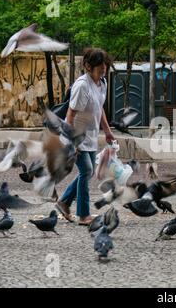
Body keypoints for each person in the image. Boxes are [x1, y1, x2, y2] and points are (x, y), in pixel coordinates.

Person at [55, 48, 115, 226]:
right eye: (99, 65)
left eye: (105, 64)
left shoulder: (101, 83)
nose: (103, 68)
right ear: (88, 66)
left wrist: (108, 131)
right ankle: (83, 215)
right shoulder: (82, 85)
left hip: (90, 137)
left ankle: (64, 202)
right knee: (87, 171)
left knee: (87, 172)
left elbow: (100, 108)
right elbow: (71, 115)